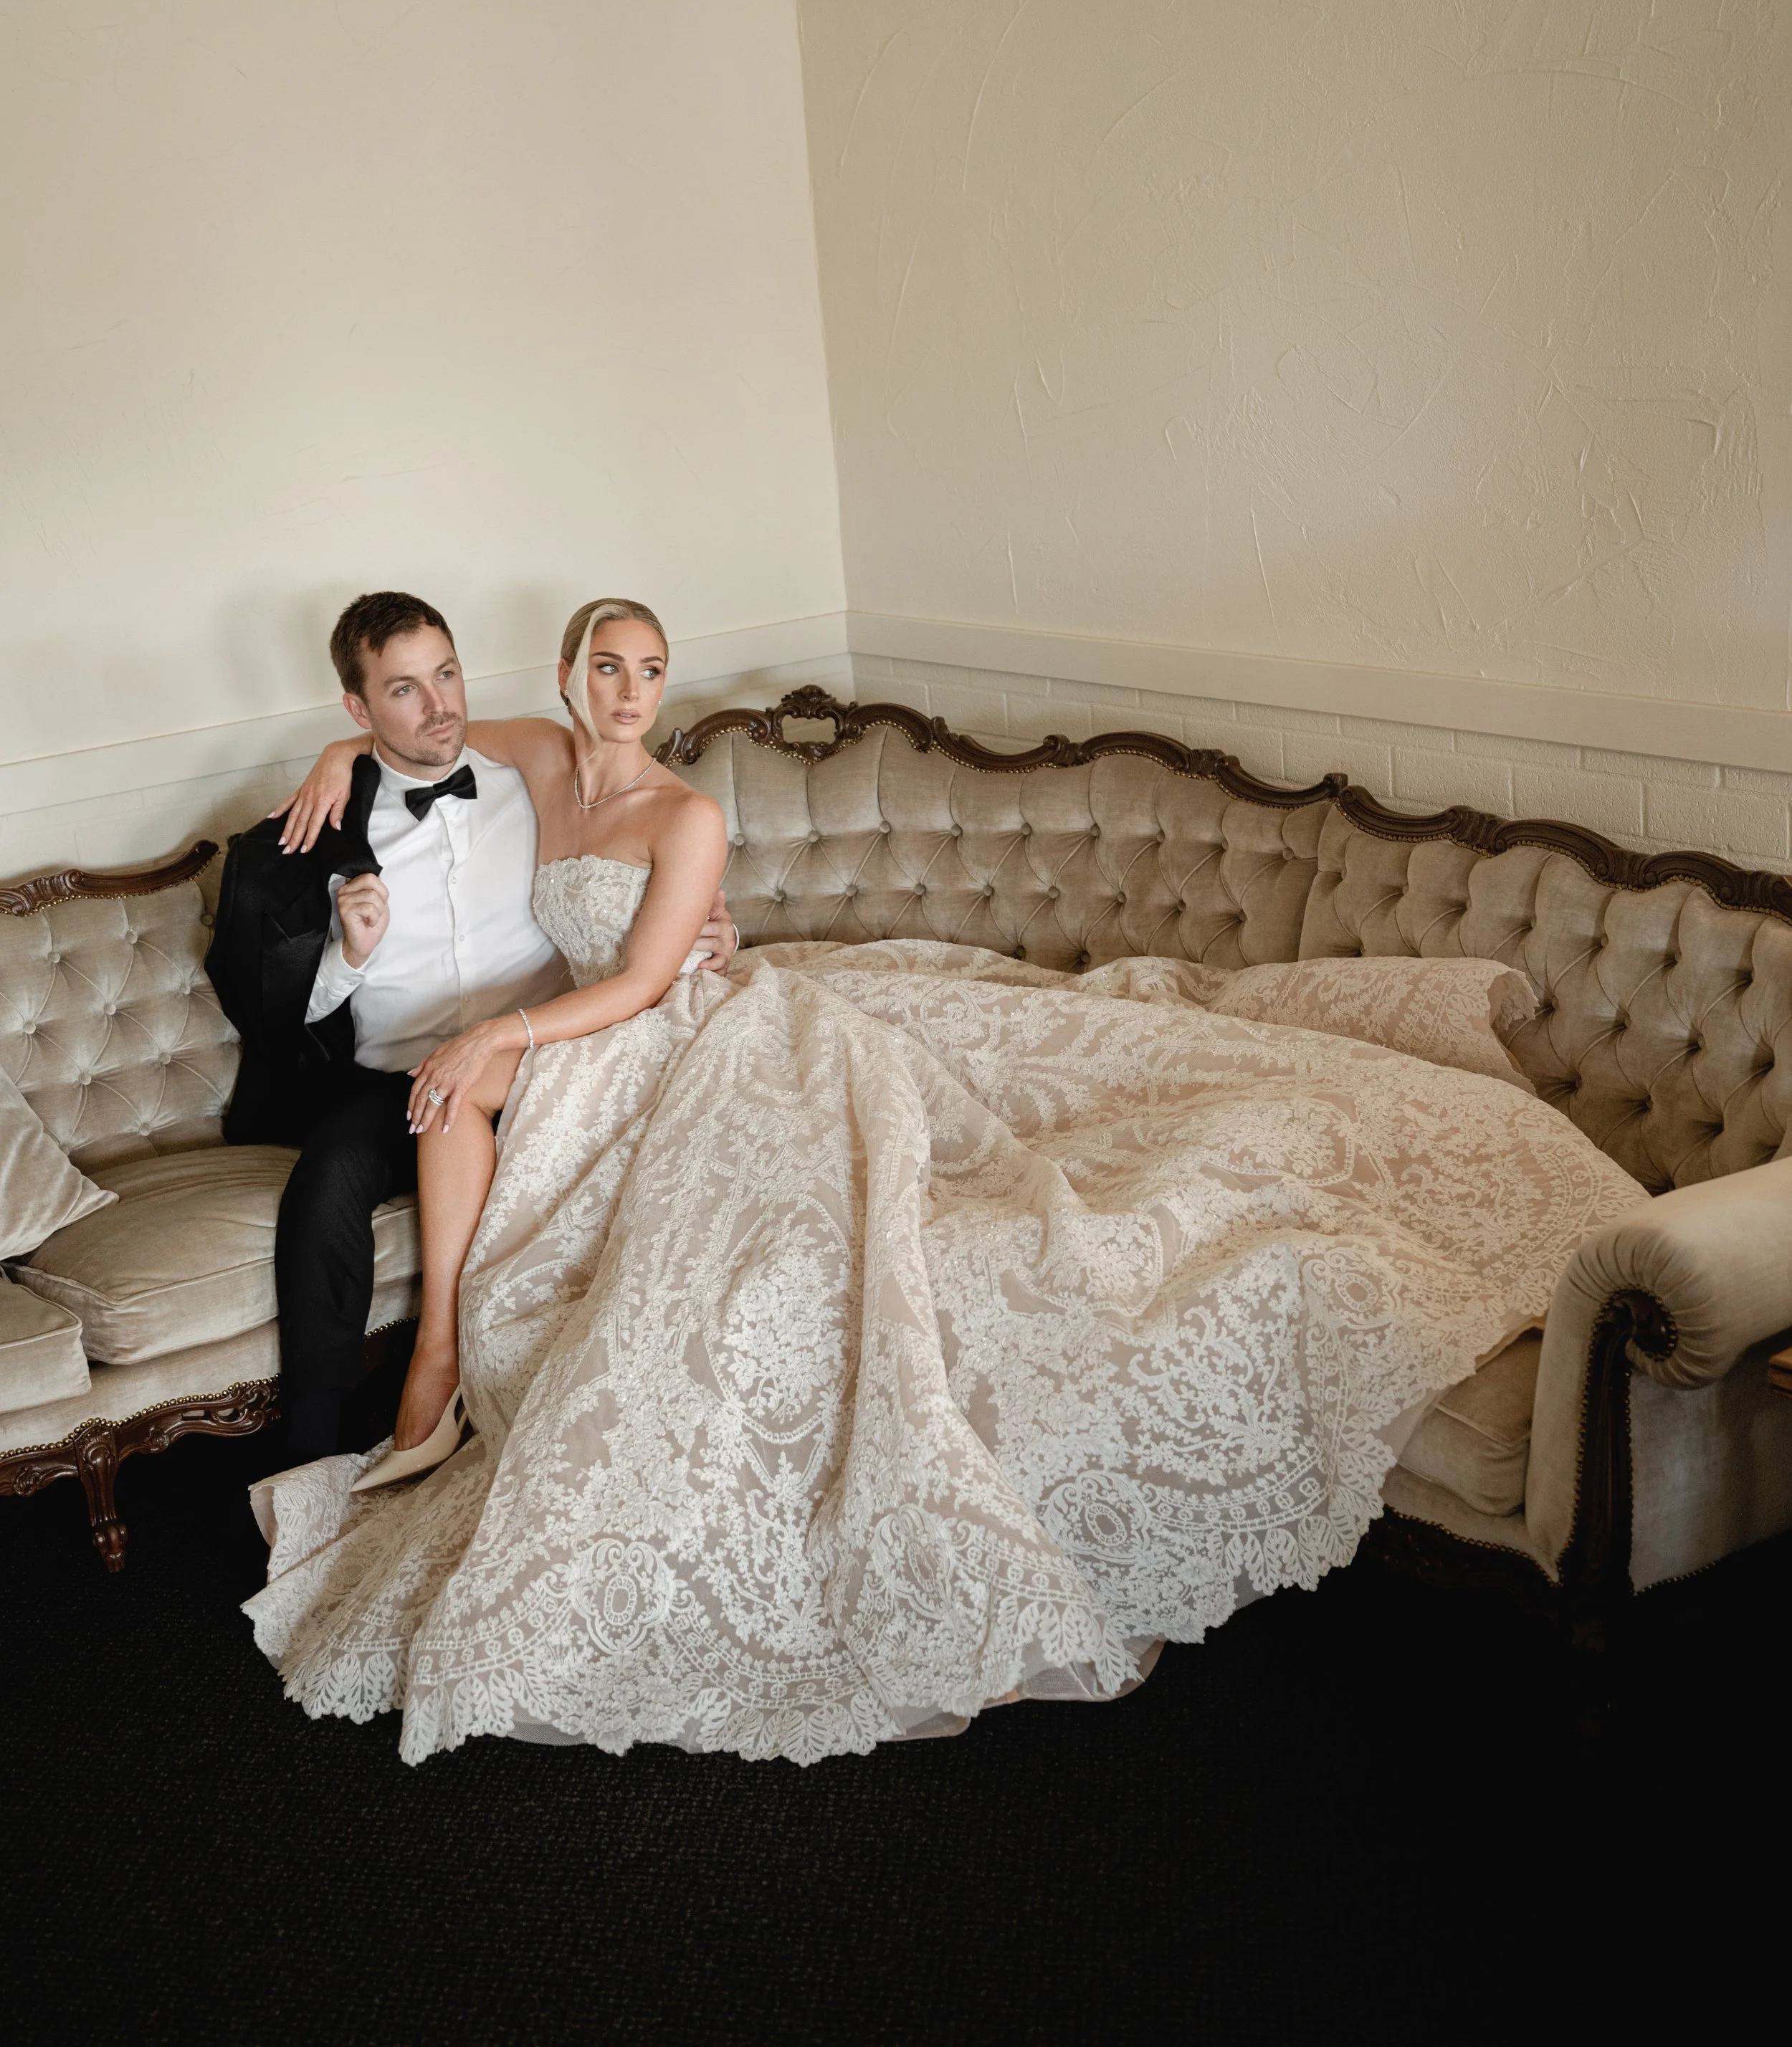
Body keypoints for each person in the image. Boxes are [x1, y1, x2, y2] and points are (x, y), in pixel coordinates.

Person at [244, 596, 1644, 1765]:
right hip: (584, 1041)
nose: (625, 690)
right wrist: (328, 751)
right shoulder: (537, 757)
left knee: (881, 1163)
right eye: (603, 666)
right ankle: (432, 1364)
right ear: (567, 677)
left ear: (664, 684)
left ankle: (452, 1364)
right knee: (454, 1089)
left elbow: (641, 978)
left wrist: (504, 1021)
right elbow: (409, 734)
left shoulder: (686, 815)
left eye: (648, 668)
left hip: (665, 1024)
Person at [204, 591, 737, 1460]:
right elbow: (277, 1013)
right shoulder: (331, 824)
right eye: (404, 689)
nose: (439, 704)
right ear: (360, 706)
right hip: (397, 1074)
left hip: (555, 1042)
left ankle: (489, 1382)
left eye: (446, 674)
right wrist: (350, 949)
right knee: (333, 1172)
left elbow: (646, 910)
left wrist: (714, 931)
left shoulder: (524, 772)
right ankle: (317, 1446)